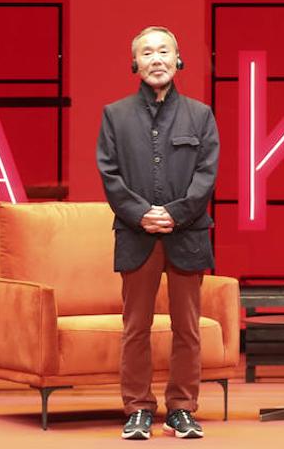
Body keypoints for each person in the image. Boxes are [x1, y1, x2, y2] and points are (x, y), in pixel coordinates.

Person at [97, 26, 219, 440]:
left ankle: (182, 408)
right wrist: (140, 214)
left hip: (187, 235)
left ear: (178, 58)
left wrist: (175, 214)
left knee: (187, 327)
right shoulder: (115, 114)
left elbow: (206, 176)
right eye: (147, 53)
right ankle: (138, 409)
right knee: (136, 327)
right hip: (136, 236)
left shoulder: (200, 115)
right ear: (136, 63)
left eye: (163, 51)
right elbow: (109, 174)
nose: (156, 59)